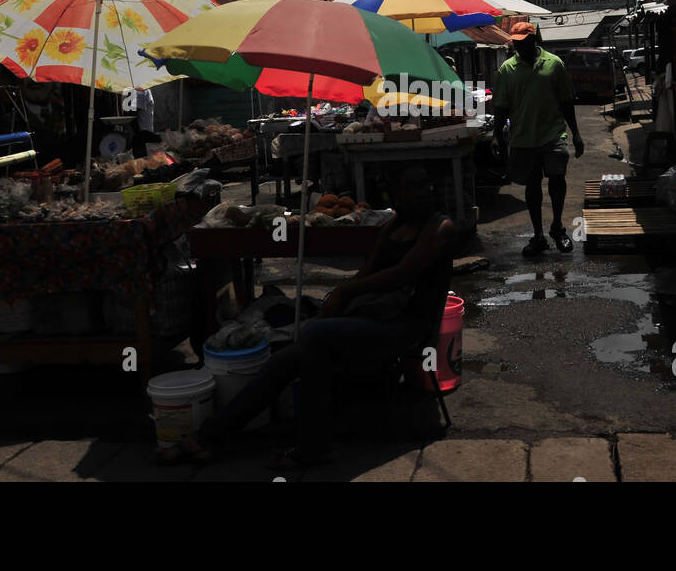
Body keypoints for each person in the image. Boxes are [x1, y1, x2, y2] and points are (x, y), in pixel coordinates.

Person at [159, 166, 455, 469]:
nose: (419, 193)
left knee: (315, 337)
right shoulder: (392, 226)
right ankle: (211, 436)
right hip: (376, 316)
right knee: (291, 355)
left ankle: (310, 446)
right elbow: (367, 271)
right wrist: (338, 299)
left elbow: (400, 274)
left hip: (406, 327)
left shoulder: (440, 228)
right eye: (410, 187)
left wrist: (345, 294)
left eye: (424, 186)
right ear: (396, 194)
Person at [491, 22, 584, 256]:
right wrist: (497, 136)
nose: (519, 45)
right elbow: (501, 107)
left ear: (534, 39)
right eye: (516, 42)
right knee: (532, 186)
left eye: (524, 41)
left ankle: (557, 227)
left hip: (553, 134)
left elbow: (566, 101)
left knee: (557, 179)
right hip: (523, 138)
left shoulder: (554, 64)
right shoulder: (506, 69)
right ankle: (538, 235)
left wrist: (577, 134)